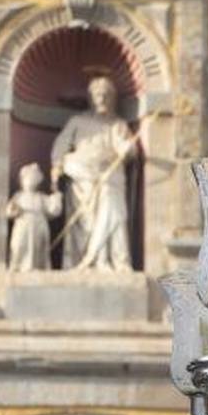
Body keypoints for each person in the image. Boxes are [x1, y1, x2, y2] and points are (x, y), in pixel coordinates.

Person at [50, 75, 138, 270]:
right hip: (82, 176)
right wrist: (57, 165)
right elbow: (60, 146)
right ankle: (79, 262)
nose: (102, 98)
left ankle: (105, 261)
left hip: (109, 176)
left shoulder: (118, 125)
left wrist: (128, 149)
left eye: (106, 94)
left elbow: (128, 149)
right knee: (84, 222)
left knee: (113, 216)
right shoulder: (77, 121)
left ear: (113, 98)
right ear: (91, 98)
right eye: (98, 94)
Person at [4, 163, 62, 271]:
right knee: (18, 246)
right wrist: (13, 209)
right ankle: (17, 266)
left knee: (36, 248)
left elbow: (54, 210)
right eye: (28, 179)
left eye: (33, 179)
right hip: (23, 224)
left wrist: (56, 194)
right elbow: (9, 212)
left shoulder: (41, 197)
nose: (30, 182)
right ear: (23, 181)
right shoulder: (18, 196)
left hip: (38, 225)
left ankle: (35, 267)